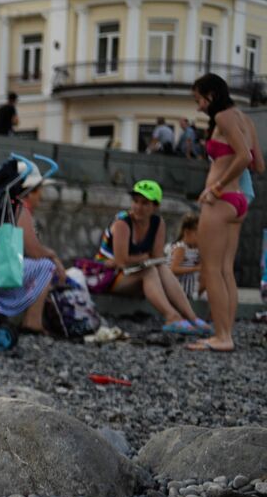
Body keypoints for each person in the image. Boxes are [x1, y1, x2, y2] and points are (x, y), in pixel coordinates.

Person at [189, 72, 264, 352]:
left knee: (211, 269)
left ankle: (222, 337)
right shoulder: (246, 120)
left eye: (199, 100)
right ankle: (226, 333)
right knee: (225, 270)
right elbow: (258, 165)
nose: (198, 107)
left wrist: (216, 185)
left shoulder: (223, 117)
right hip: (239, 200)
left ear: (211, 95)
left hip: (221, 200)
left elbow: (244, 157)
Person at [94, 180, 205, 335]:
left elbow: (156, 257)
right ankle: (171, 316)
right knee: (150, 271)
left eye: (145, 203)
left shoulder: (158, 223)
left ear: (155, 206)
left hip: (131, 273)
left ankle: (192, 317)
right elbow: (121, 262)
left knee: (160, 267)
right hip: (108, 275)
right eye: (136, 201)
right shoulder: (122, 223)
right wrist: (143, 257)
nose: (138, 207)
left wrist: (141, 259)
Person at [0, 178, 63, 333]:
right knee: (47, 266)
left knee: (35, 267)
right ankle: (32, 322)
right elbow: (34, 251)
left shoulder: (1, 205)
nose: (41, 197)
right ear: (30, 193)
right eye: (39, 191)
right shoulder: (19, 209)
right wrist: (54, 256)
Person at [168, 213, 202, 301]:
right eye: (198, 234)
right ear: (187, 232)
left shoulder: (194, 249)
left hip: (189, 292)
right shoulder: (181, 248)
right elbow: (173, 269)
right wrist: (195, 268)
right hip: (178, 292)